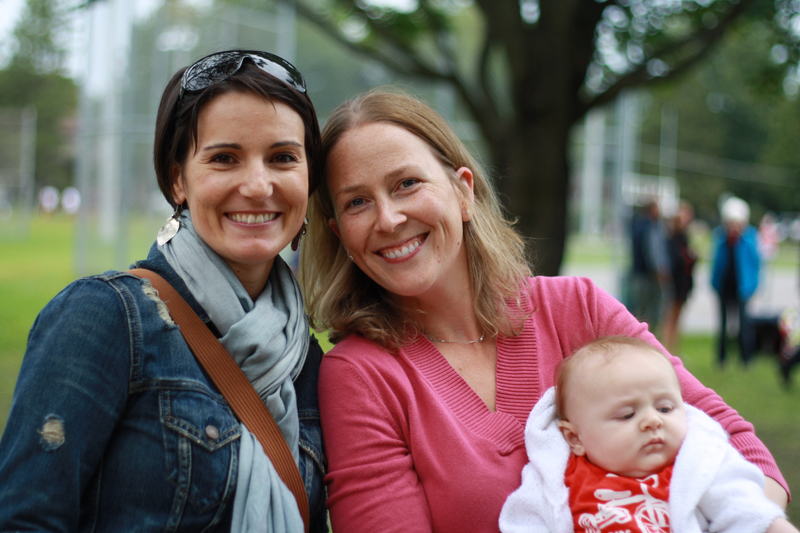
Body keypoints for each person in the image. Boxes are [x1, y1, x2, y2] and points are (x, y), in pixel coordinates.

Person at [299, 90, 789, 532]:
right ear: (340, 232)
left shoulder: (577, 310)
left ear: (464, 192)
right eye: (358, 202)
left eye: (406, 183)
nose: (389, 218)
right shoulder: (361, 375)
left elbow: (747, 457)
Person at [0, 50, 328, 531]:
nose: (258, 186)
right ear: (178, 179)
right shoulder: (106, 317)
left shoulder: (307, 358)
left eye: (282, 158)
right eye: (224, 158)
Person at [499, 336, 797, 533]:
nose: (652, 421)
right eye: (627, 415)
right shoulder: (554, 478)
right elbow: (523, 522)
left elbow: (747, 509)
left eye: (666, 408)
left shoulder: (697, 463)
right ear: (575, 439)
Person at [711, 196, 760, 366]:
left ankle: (746, 358)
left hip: (743, 287)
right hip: (724, 287)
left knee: (744, 324)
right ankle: (721, 358)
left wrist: (753, 286)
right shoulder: (721, 238)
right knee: (723, 324)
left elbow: (756, 264)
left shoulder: (749, 238)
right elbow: (716, 263)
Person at [628, 199, 672, 332]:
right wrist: (660, 272)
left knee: (639, 311)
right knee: (648, 312)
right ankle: (646, 342)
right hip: (649, 276)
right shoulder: (650, 228)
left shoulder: (637, 225)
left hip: (638, 274)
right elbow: (652, 253)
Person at [661, 201, 697, 354]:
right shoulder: (673, 237)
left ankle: (674, 349)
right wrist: (691, 257)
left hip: (684, 283)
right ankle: (667, 349)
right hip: (676, 283)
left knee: (678, 318)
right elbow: (678, 260)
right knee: (671, 318)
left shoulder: (684, 236)